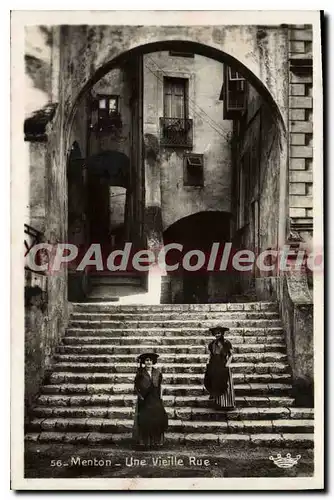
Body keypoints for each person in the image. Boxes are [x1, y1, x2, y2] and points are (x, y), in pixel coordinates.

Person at [133, 352, 168, 449]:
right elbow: (136, 387)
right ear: (144, 362)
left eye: (151, 360)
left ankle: (156, 442)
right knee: (145, 420)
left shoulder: (157, 372)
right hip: (145, 399)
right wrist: (140, 397)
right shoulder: (140, 373)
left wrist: (161, 397)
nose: (149, 362)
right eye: (147, 360)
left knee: (156, 420)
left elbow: (160, 386)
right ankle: (145, 443)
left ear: (153, 362)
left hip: (155, 398)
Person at [204, 326, 235, 410]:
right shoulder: (211, 344)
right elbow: (210, 355)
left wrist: (227, 364)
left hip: (223, 365)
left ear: (222, 333)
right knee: (214, 382)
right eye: (216, 333)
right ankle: (218, 403)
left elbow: (231, 355)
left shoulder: (227, 343)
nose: (217, 335)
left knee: (224, 383)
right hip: (214, 365)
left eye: (219, 333)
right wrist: (208, 363)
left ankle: (226, 404)